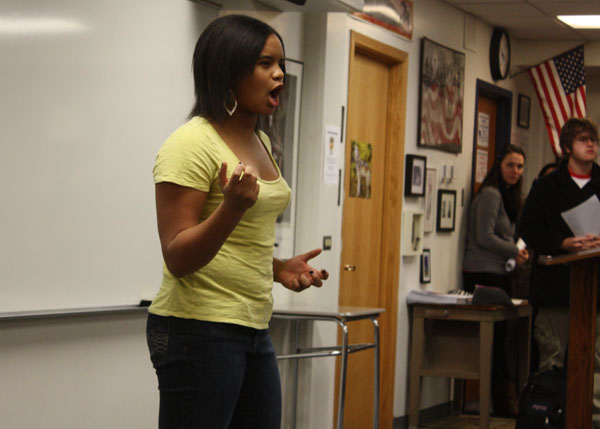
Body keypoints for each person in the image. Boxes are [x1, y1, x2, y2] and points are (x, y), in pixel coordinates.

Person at [145, 15, 329, 429]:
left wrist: (279, 268)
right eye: (266, 64)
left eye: (281, 63)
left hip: (252, 325)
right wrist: (231, 209)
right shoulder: (190, 144)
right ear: (229, 69)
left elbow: (238, 243)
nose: (280, 74)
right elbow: (177, 254)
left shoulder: (260, 140)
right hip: (197, 327)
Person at [519, 117, 600, 422]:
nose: (591, 145)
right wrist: (563, 242)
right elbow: (528, 228)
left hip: (596, 292)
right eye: (583, 139)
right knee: (552, 361)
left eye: (593, 139)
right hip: (556, 289)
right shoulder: (547, 186)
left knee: (596, 364)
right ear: (567, 147)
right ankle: (549, 419)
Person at [463, 144, 529, 417]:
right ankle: (503, 403)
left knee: (502, 339)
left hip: (501, 272)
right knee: (494, 340)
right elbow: (484, 236)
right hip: (483, 273)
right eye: (511, 165)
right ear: (498, 166)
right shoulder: (491, 194)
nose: (516, 171)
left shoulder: (509, 196)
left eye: (520, 166)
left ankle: (505, 400)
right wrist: (515, 250)